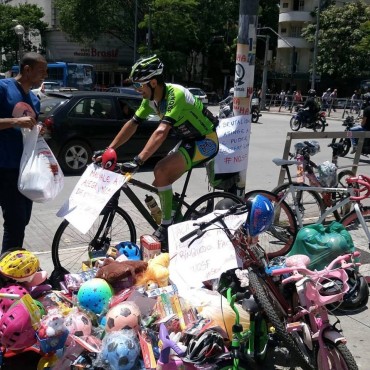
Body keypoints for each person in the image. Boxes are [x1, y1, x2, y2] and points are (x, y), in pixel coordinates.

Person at [93, 55, 219, 250]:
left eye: (139, 85)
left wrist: (138, 160)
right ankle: (176, 214)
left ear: (153, 82)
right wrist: (109, 149)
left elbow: (161, 131)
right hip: (188, 140)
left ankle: (167, 225)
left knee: (161, 170)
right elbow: (132, 124)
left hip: (206, 141)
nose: (137, 90)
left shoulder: (175, 95)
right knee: (159, 180)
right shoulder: (151, 100)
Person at [0, 52, 48, 253]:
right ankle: (8, 274)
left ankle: (13, 268)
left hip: (25, 169)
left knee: (23, 220)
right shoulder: (3, 89)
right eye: (41, 71)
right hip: (4, 167)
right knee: (15, 221)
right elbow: (15, 124)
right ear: (27, 70)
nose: (44, 76)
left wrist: (38, 130)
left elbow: (29, 131)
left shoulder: (34, 100)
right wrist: (14, 122)